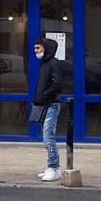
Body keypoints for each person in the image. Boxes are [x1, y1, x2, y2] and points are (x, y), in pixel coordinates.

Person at [33, 38, 67, 182]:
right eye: (35, 48)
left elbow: (57, 84)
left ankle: (54, 167)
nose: (36, 51)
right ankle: (51, 166)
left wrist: (45, 95)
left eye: (38, 48)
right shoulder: (44, 64)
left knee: (48, 138)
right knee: (46, 138)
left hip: (51, 105)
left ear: (46, 49)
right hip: (44, 104)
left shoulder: (53, 64)